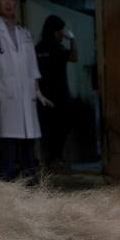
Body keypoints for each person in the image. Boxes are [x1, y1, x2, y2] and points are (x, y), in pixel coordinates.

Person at [0, 0, 49, 182]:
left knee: (29, 141)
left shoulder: (25, 33)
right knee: (9, 143)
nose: (8, 3)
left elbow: (32, 66)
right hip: (8, 94)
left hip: (27, 94)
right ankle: (8, 186)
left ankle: (31, 182)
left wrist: (37, 91)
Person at [34, 14, 78, 167]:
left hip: (42, 96)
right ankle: (56, 158)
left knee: (47, 129)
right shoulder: (56, 47)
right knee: (61, 127)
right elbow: (74, 57)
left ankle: (48, 160)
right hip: (59, 95)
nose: (62, 34)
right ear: (55, 31)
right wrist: (72, 39)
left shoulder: (38, 47)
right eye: (61, 31)